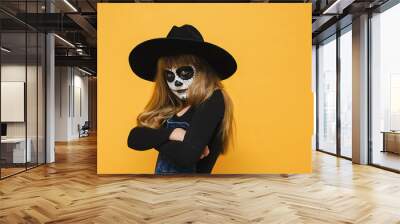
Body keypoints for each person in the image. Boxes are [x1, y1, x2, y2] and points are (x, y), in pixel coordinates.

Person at [127, 24, 237, 174]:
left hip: (191, 190)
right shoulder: (173, 106)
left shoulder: (213, 99)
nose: (176, 82)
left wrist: (154, 138)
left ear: (202, 71)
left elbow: (186, 156)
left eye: (184, 72)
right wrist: (173, 133)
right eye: (169, 75)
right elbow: (134, 138)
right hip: (164, 189)